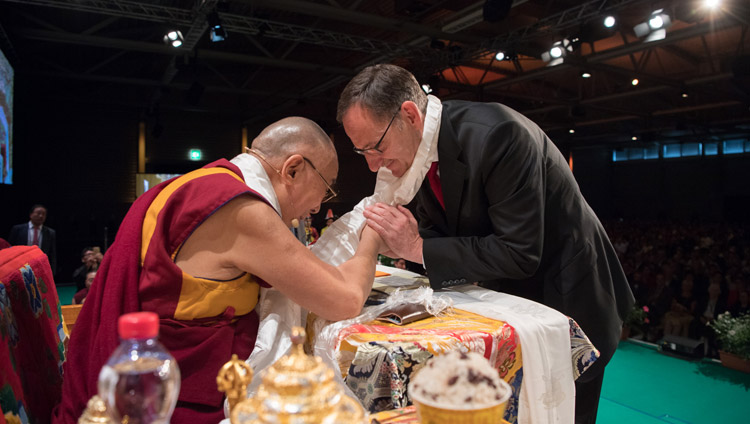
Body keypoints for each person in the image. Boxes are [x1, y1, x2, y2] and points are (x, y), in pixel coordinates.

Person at [337, 64, 634, 424]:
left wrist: (416, 247)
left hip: (568, 297)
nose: (372, 165)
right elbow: (448, 239)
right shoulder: (420, 154)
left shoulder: (499, 134)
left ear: (410, 115)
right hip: (510, 301)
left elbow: (519, 251)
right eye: (361, 152)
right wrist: (406, 244)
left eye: (376, 146)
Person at [53, 117, 384, 424]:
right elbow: (346, 300)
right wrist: (372, 233)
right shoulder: (241, 209)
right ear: (293, 169)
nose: (318, 206)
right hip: (165, 400)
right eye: (326, 188)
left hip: (152, 376)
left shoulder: (204, 181)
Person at [7, 204, 57, 275]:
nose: (41, 216)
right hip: (20, 266)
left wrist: (52, 272)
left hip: (40, 267)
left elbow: (52, 254)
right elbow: (9, 250)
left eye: (44, 214)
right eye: (38, 213)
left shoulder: (50, 233)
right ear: (31, 214)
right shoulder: (18, 229)